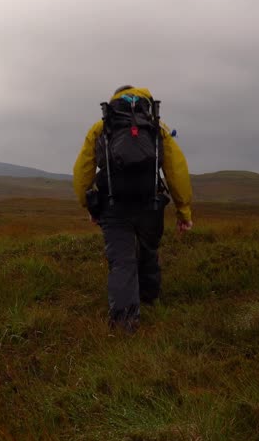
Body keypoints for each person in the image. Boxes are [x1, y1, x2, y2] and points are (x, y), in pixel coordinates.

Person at [73, 85, 194, 330]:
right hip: (150, 203)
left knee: (122, 261)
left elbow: (82, 171)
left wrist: (89, 205)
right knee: (149, 250)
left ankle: (124, 324)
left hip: (113, 204)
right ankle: (149, 300)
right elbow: (176, 171)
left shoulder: (102, 127)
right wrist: (184, 211)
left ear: (114, 100)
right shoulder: (157, 127)